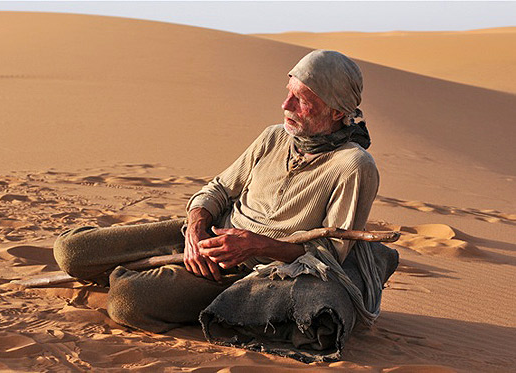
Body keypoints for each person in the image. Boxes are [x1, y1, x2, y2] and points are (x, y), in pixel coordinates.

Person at [53, 50, 397, 361]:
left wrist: (253, 245)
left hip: (251, 267)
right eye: (287, 92)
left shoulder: (353, 166)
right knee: (70, 251)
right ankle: (134, 270)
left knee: (127, 301)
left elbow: (328, 256)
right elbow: (218, 189)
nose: (286, 106)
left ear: (337, 111)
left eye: (302, 100)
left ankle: (133, 277)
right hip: (206, 233)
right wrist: (195, 228)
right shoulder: (274, 136)